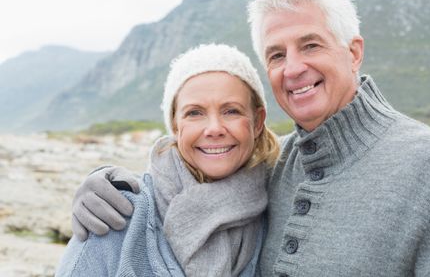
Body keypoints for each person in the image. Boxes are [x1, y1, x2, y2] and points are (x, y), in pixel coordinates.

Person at [70, 0, 430, 276]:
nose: (294, 68)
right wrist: (100, 184)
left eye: (310, 45)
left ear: (353, 53)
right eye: (276, 55)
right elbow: (197, 181)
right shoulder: (273, 172)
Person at [56, 43, 280, 276]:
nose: (214, 128)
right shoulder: (117, 210)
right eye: (195, 112)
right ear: (174, 124)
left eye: (231, 111)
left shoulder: (279, 205)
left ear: (257, 122)